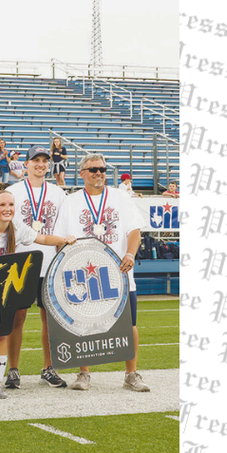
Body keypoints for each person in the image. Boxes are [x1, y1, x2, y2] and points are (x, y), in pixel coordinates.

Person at [0, 190, 76, 398]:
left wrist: (64, 239)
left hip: (5, 289)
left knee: (2, 334)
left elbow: (43, 238)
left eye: (11, 205)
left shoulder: (18, 227)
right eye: (2, 205)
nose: (7, 209)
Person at [58, 154, 150, 392]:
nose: (98, 173)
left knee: (129, 324)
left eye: (102, 169)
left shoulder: (121, 197)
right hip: (83, 275)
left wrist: (130, 254)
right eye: (93, 169)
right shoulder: (70, 201)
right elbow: (61, 239)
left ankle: (131, 374)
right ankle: (84, 373)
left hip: (118, 272)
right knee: (83, 325)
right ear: (82, 173)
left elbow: (134, 230)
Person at [6, 146, 70, 389]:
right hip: (21, 263)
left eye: (44, 160)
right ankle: (13, 369)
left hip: (50, 264)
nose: (41, 164)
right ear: (26, 164)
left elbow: (62, 230)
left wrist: (61, 262)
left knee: (50, 320)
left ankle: (49, 367)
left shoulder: (58, 193)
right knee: (16, 318)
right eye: (36, 160)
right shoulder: (13, 191)